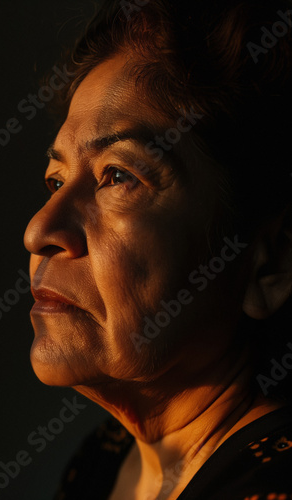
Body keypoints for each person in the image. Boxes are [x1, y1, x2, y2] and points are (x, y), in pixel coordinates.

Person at [23, 0, 292, 498]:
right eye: (54, 180)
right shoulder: (100, 463)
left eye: (118, 176)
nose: (39, 231)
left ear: (270, 262)